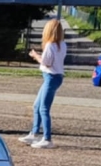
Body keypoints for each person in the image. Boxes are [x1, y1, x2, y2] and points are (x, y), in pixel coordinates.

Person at [21, 19, 67, 149]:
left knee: (43, 109)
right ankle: (34, 133)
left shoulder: (50, 45)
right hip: (56, 76)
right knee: (37, 106)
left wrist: (35, 55)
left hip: (51, 77)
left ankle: (47, 139)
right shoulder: (62, 44)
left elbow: (46, 63)